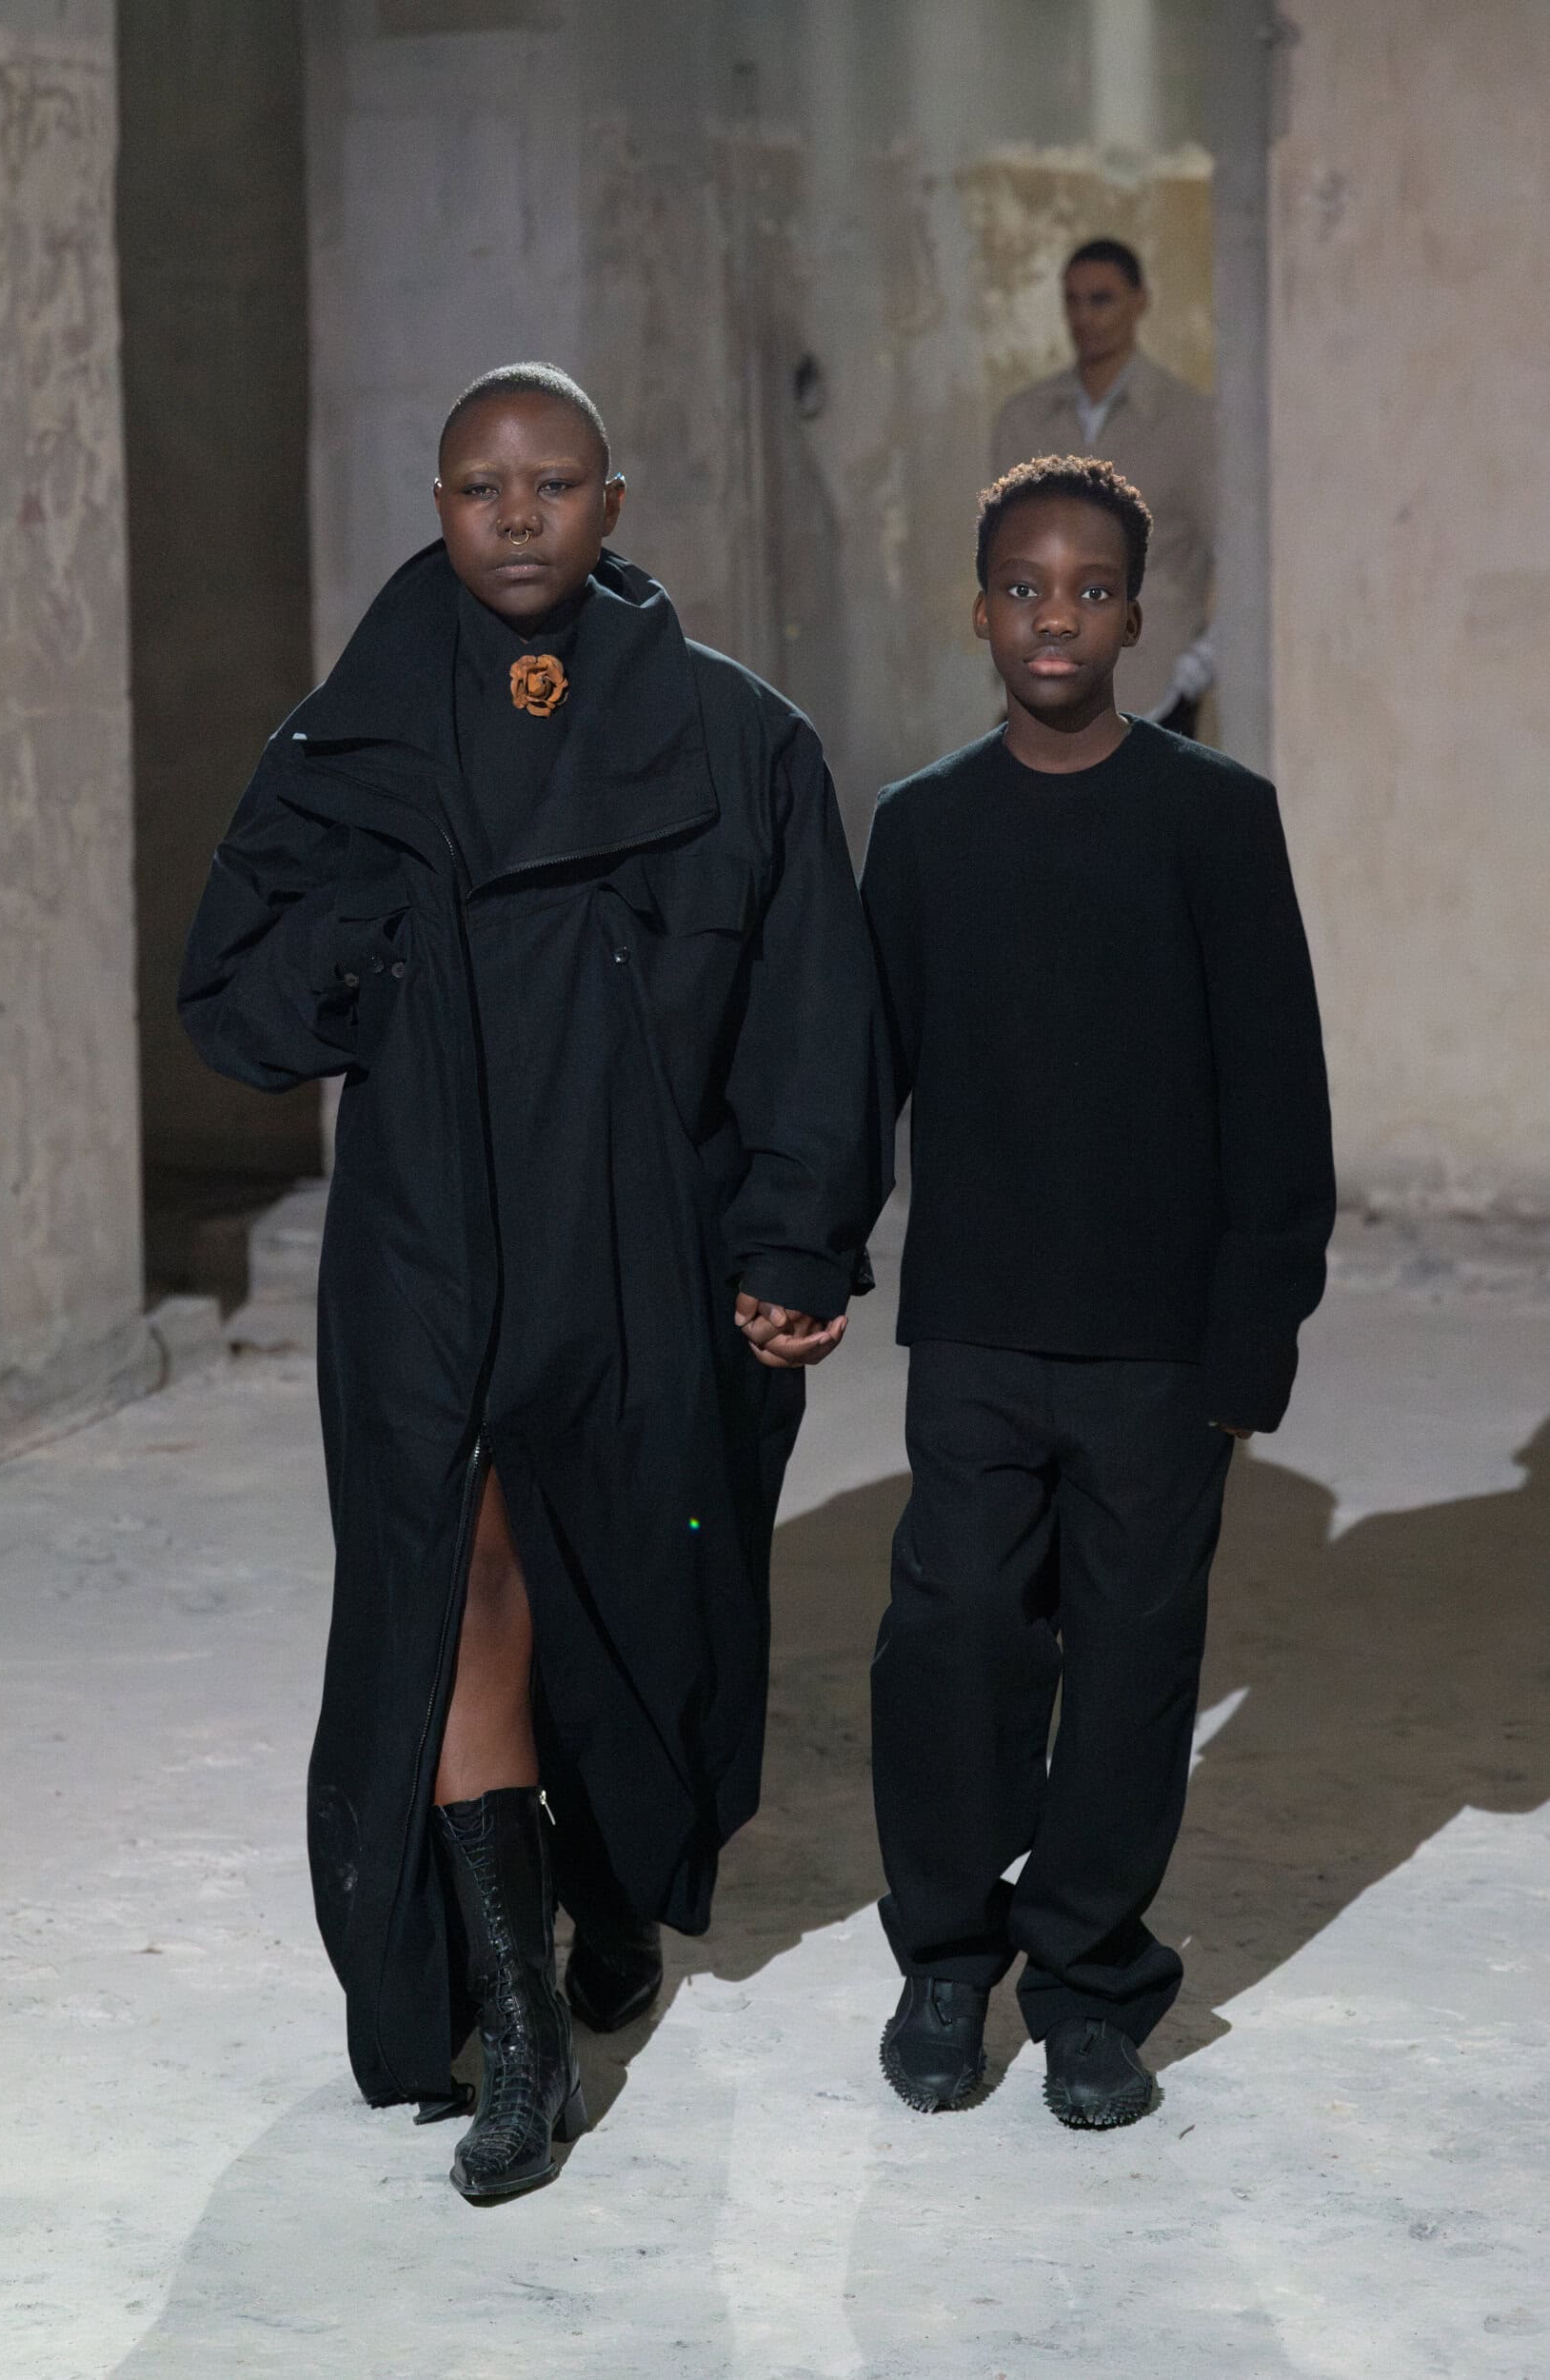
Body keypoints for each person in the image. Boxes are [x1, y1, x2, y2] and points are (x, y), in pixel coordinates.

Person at [179, 363, 888, 2201]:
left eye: (552, 481)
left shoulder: (738, 739)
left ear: (611, 502)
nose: (515, 513)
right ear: (437, 505)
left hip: (647, 1252)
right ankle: (520, 2041)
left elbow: (816, 1020)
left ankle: (611, 1878)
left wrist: (794, 1242)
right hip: (429, 1246)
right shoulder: (351, 741)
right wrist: (378, 935)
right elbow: (233, 999)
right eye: (479, 484)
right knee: (458, 1582)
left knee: (641, 1603)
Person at [859, 455, 1334, 2130]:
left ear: (1135, 616)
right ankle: (943, 1956)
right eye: (1021, 587)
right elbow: (860, 1071)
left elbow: (1276, 1093)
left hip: (1156, 1339)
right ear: (978, 609)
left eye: (1087, 590)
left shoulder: (1211, 818)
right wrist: (798, 1249)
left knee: (1133, 1658)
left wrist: (1250, 1337)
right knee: (952, 1635)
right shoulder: (921, 828)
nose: (1052, 617)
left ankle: (1085, 1983)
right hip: (974, 1324)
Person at [991, 238, 1214, 734]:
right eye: (1072, 300)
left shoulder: (1189, 422)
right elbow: (1001, 556)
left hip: (1153, 694)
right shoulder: (1024, 420)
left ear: (1140, 301)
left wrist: (1194, 673)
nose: (1084, 317)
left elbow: (1242, 563)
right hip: (1041, 688)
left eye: (1101, 299)